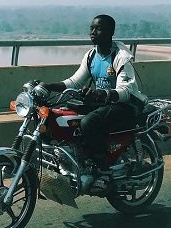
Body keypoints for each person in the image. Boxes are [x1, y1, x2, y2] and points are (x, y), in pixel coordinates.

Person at [39, 14, 147, 193]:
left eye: (98, 29)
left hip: (126, 105)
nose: (93, 32)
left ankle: (103, 172)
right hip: (102, 103)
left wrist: (100, 93)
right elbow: (74, 82)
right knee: (59, 114)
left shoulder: (121, 57)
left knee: (88, 122)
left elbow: (126, 91)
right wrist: (47, 86)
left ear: (110, 32)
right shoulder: (91, 55)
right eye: (92, 28)